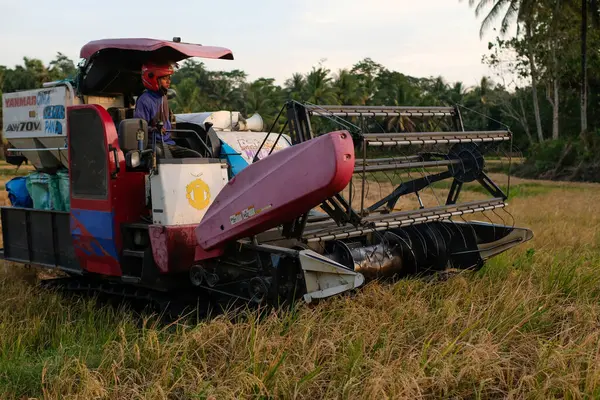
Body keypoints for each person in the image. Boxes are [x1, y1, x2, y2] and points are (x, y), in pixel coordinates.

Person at [134, 62, 201, 158]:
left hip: (169, 143)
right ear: (153, 79)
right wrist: (153, 129)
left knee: (196, 157)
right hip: (153, 144)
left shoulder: (163, 96)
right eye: (165, 78)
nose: (169, 81)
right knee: (166, 157)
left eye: (169, 78)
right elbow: (139, 128)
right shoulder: (144, 100)